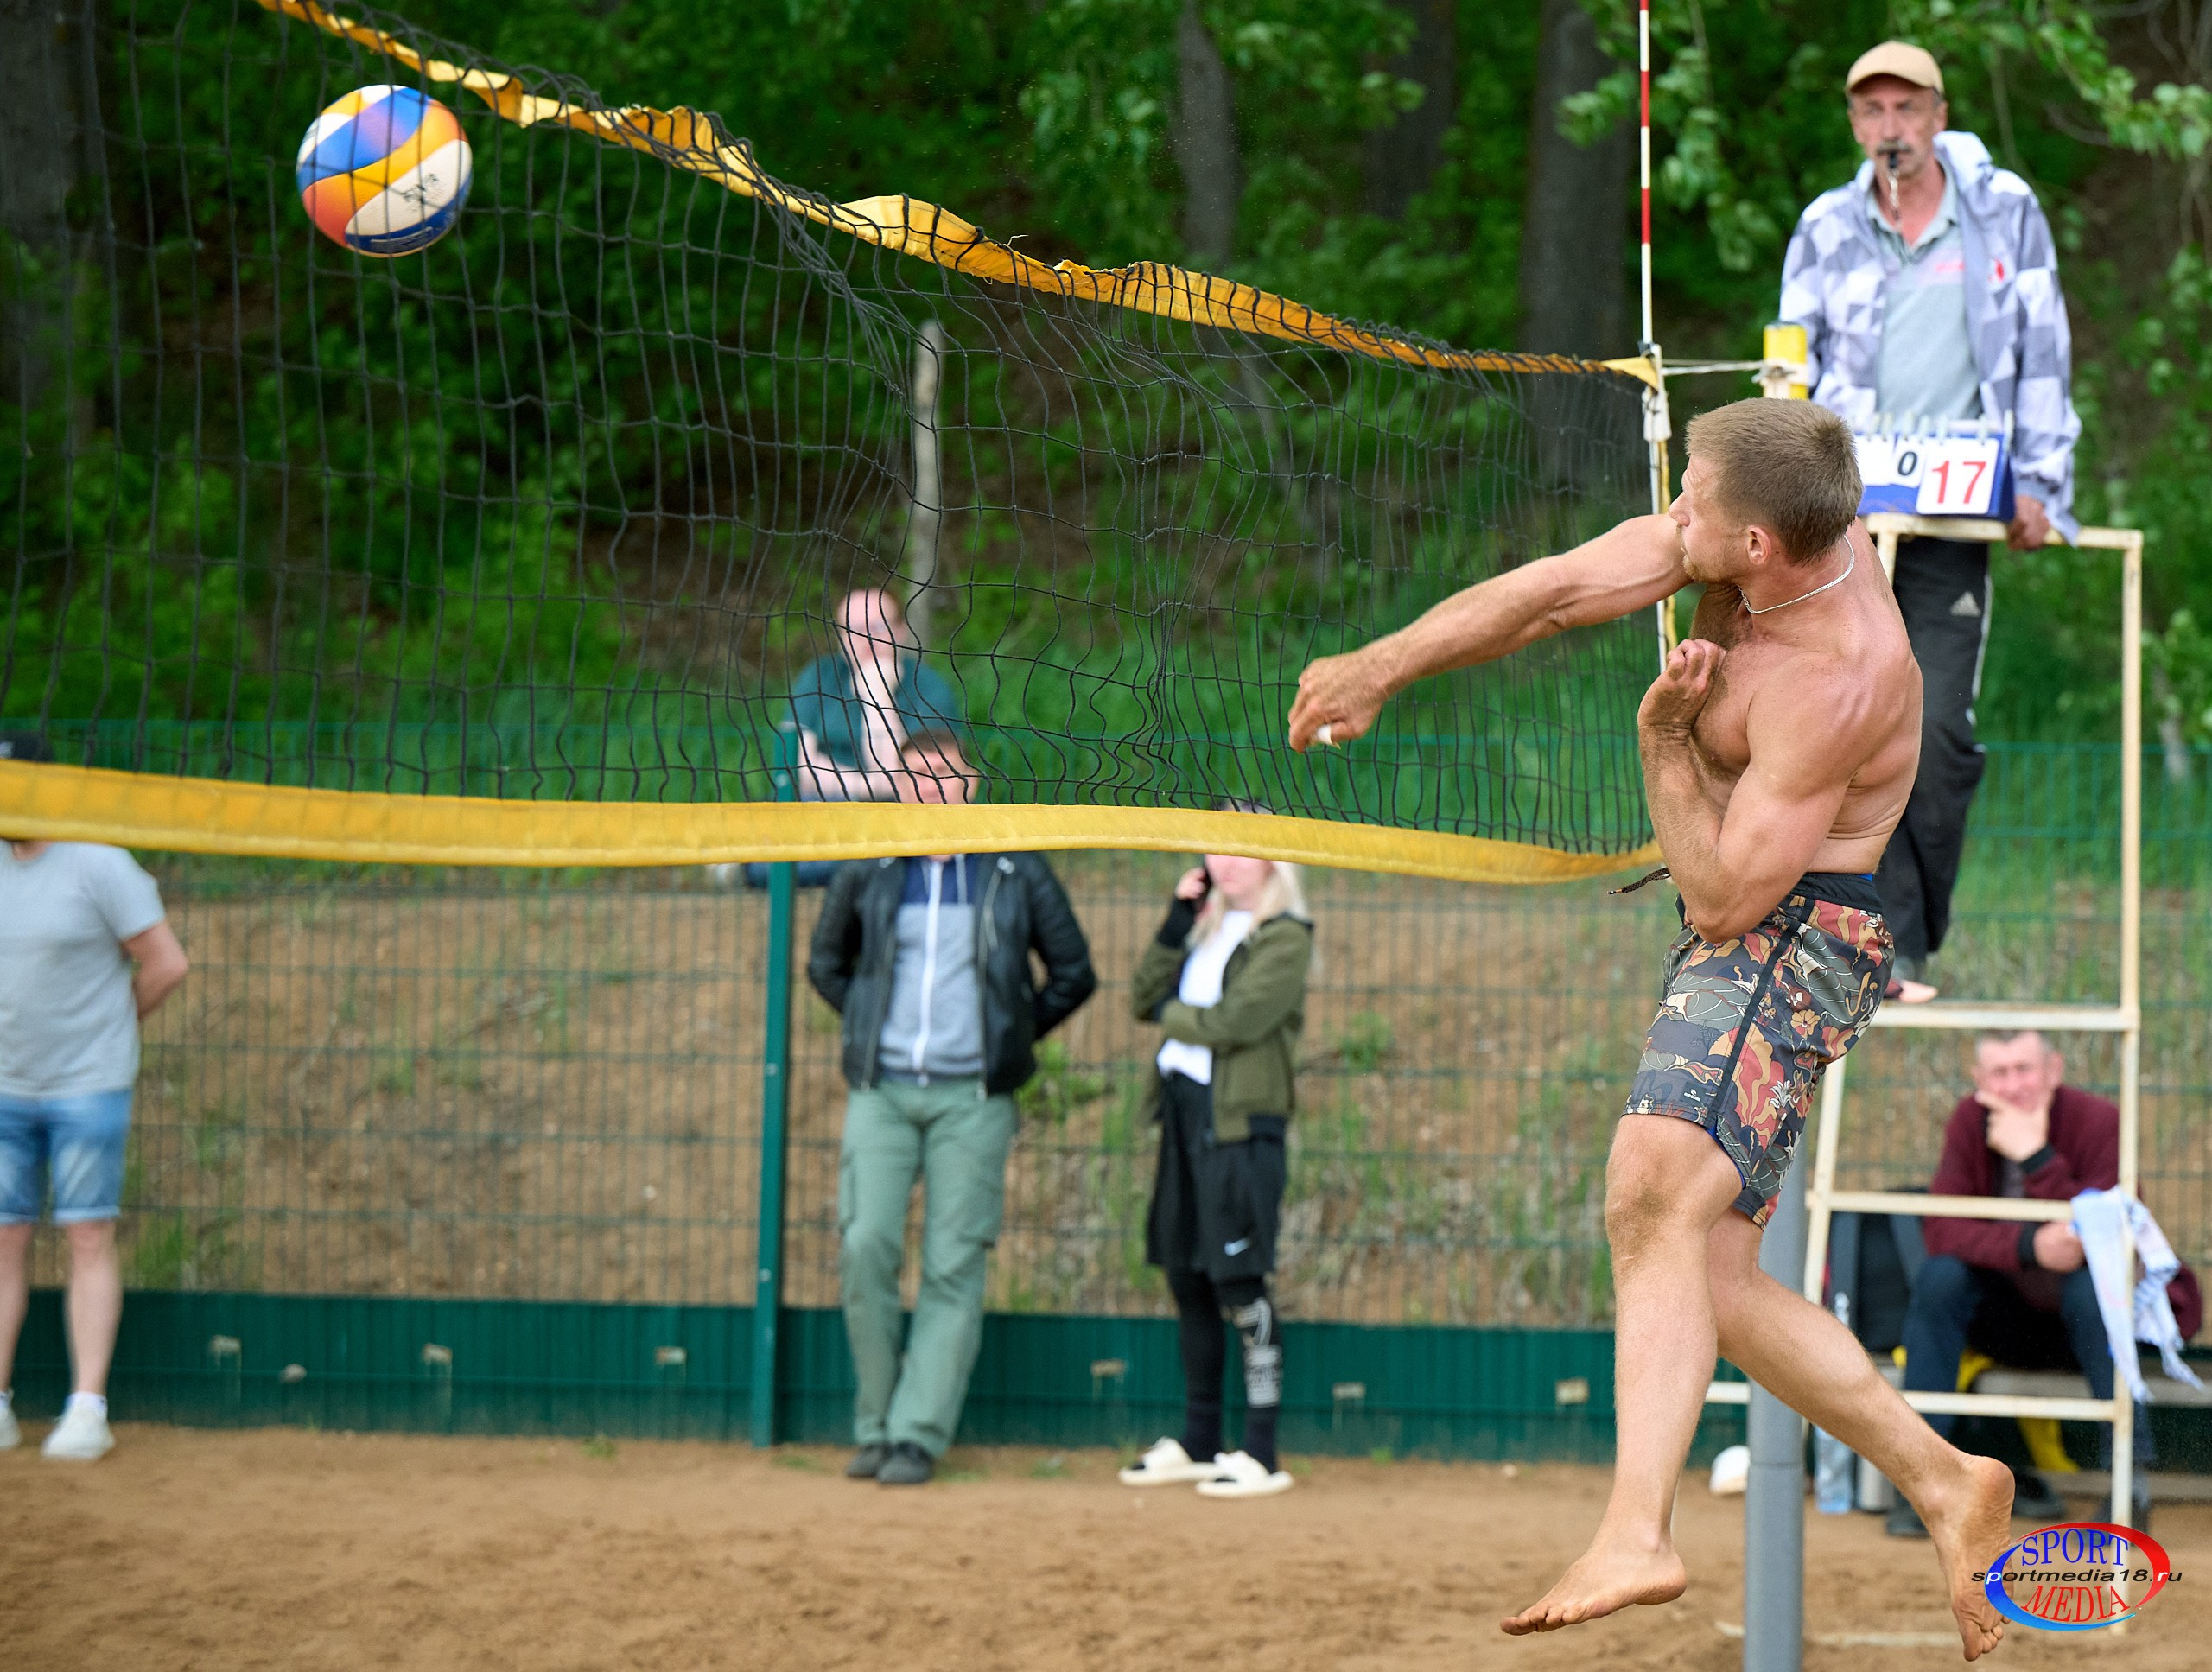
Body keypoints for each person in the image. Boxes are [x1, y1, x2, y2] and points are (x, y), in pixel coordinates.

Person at [1288, 398, 2016, 1660]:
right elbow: (1559, 589)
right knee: (1712, 1275)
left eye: (1692, 503)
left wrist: (1664, 742)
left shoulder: (1841, 673)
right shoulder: (1735, 546)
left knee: (1649, 1183)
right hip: (1750, 914)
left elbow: (1729, 896)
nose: (1670, 515)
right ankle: (1949, 1477)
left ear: (1756, 548)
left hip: (1802, 928)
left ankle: (1638, 1526)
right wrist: (1381, 662)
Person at [1779, 41, 2083, 997]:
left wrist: (2042, 481)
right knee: (1853, 726)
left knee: (1938, 732)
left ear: (1938, 116)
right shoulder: (1824, 227)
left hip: (1959, 514)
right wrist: (1789, 496)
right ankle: (1882, 943)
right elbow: (1789, 373)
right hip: (1849, 523)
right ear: (1854, 127)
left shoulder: (2005, 212)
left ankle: (1919, 924)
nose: (1889, 129)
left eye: (1904, 109)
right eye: (1870, 112)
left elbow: (2045, 349)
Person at [806, 730, 1096, 1485]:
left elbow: (1073, 971)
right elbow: (826, 964)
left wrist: (1010, 1034)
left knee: (952, 1263)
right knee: (865, 1243)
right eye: (916, 775)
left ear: (973, 783)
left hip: (973, 1098)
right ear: (896, 785)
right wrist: (871, 1023)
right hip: (884, 1092)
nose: (932, 787)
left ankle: (916, 1434)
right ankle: (873, 1424)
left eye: (947, 774)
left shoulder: (1013, 866)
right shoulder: (872, 862)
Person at [1895, 1030, 2202, 1535]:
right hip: (2003, 1319)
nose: (2013, 1086)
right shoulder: (1970, 1120)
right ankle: (1926, 1485)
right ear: (1979, 1081)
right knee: (1940, 1277)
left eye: (2024, 1069)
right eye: (1999, 1072)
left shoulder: (2099, 1120)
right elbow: (1942, 1229)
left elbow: (2112, 1233)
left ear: (2054, 1070)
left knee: (2095, 1287)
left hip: (2084, 1326)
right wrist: (2028, 1248)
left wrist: (2036, 1156)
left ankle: (2129, 1480)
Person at [0, 736, 190, 1462]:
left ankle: (87, 1407)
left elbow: (167, 963)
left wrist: (109, 1028)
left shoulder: (99, 863)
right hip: (6, 1087)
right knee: (5, 1239)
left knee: (87, 1234)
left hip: (87, 1085)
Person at [1117, 831, 1315, 1501]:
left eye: (1241, 848)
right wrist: (1178, 919)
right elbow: (1140, 993)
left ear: (1270, 858)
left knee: (1239, 1281)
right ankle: (1200, 1440)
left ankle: (1260, 1449)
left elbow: (1234, 1021)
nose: (1224, 862)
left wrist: (1170, 1016)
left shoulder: (1286, 936)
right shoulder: (1203, 929)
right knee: (1187, 1275)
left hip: (1238, 1128)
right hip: (1181, 1116)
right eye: (1215, 848)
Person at [788, 587, 963, 803]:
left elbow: (911, 777)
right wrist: (872, 786)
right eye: (853, 629)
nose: (866, 638)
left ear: (900, 630)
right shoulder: (818, 676)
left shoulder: (929, 686)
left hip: (903, 814)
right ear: (840, 637)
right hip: (821, 806)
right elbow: (795, 762)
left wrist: (877, 695)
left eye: (878, 627)